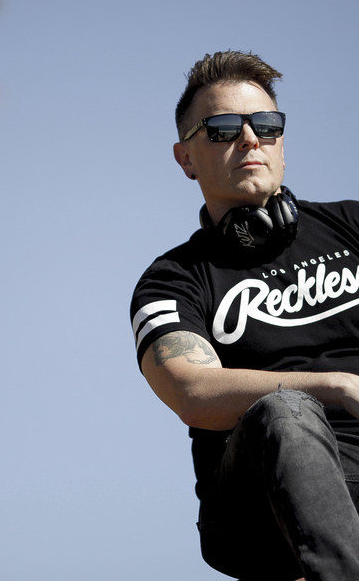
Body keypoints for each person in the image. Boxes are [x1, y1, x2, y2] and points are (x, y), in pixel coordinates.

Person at [130, 50, 359, 581]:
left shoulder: (352, 225)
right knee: (285, 410)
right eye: (224, 129)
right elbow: (193, 392)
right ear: (186, 158)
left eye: (267, 125)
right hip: (256, 502)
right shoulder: (173, 280)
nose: (251, 140)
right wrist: (336, 385)